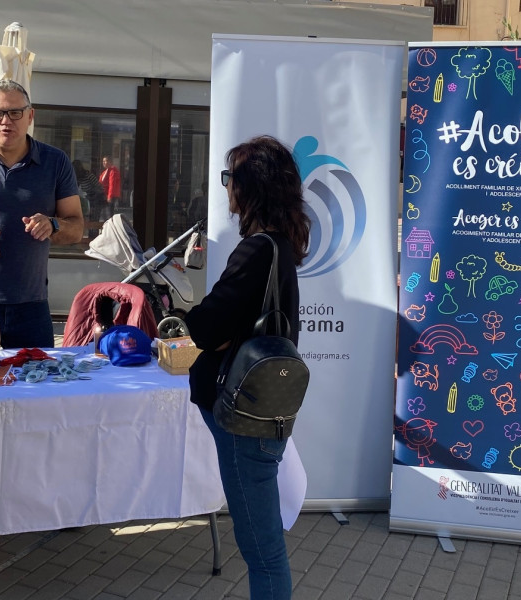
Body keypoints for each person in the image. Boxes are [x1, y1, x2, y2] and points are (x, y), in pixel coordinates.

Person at [183, 135, 310, 600]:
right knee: (263, 545)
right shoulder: (280, 246)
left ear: (249, 188)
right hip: (259, 409)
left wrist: (188, 308)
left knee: (262, 549)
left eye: (230, 179)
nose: (227, 190)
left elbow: (205, 327)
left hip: (243, 416)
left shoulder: (257, 250)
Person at [0, 78, 83, 349]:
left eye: (14, 112)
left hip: (31, 307)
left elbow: (77, 228)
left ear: (30, 116)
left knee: (37, 386)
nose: (5, 120)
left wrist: (53, 225)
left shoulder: (55, 161)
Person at [72, 159, 106, 224]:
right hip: (85, 200)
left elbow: (99, 187)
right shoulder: (76, 177)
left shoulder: (88, 176)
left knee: (94, 220)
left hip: (94, 200)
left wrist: (92, 194)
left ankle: (94, 234)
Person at [99, 155, 121, 221]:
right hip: (104, 195)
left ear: (110, 162)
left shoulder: (113, 171)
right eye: (103, 161)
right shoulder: (105, 171)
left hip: (110, 196)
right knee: (104, 215)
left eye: (105, 161)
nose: (104, 162)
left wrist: (109, 196)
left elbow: (112, 184)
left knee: (109, 215)